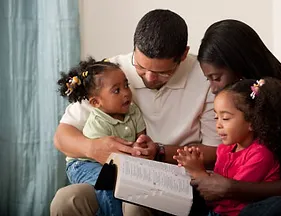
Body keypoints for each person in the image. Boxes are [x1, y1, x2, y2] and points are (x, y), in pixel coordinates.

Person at [50, 9, 221, 216]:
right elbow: (62, 137)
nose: (149, 78)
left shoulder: (204, 78)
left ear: (183, 55)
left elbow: (214, 152)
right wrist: (93, 148)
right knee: (66, 200)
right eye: (140, 67)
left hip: (172, 179)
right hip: (115, 173)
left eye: (162, 73)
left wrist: (159, 152)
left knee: (134, 205)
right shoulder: (112, 73)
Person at [193, 19, 281, 215]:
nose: (213, 88)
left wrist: (229, 188)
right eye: (208, 79)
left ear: (240, 67)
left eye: (216, 78)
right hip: (250, 196)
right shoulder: (235, 108)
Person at [175, 78, 281, 216]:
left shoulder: (261, 154)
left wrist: (199, 173)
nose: (218, 125)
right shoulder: (224, 149)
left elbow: (225, 196)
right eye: (216, 117)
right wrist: (195, 165)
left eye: (225, 118)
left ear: (252, 122)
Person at [56, 57, 146, 215]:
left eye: (126, 85)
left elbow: (141, 139)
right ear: (96, 103)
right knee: (107, 184)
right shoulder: (97, 123)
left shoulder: (133, 111)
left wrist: (141, 146)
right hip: (83, 164)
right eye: (116, 90)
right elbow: (104, 156)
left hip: (111, 164)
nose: (126, 93)